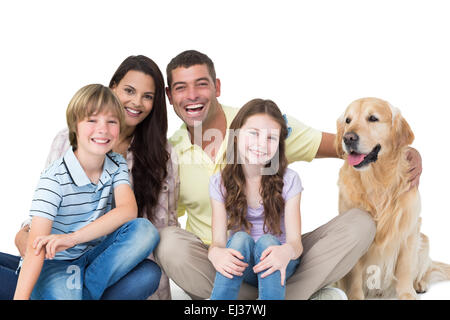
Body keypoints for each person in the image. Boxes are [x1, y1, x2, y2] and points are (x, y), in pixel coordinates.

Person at [154, 49, 423, 299]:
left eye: (201, 83)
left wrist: (405, 151)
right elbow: (157, 213)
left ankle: (257, 299)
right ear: (169, 95)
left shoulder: (261, 120)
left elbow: (345, 145)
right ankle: (300, 294)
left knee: (360, 224)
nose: (192, 95)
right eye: (181, 88)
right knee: (168, 242)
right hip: (219, 267)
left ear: (217, 87)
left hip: (283, 257)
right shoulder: (168, 154)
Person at [1, 55, 179, 300]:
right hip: (58, 262)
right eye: (129, 90)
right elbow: (37, 243)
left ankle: (69, 292)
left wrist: (72, 239)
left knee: (147, 256)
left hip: (97, 259)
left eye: (147, 96)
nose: (102, 129)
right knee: (53, 281)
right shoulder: (57, 171)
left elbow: (133, 215)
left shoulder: (118, 163)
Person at [209, 99, 303, 300]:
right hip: (245, 264)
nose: (261, 144)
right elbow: (218, 241)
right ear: (235, 135)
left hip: (281, 260)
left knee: (269, 242)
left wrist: (285, 252)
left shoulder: (289, 180)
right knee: (240, 239)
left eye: (271, 137)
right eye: (253, 133)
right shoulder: (219, 182)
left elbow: (296, 243)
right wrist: (214, 253)